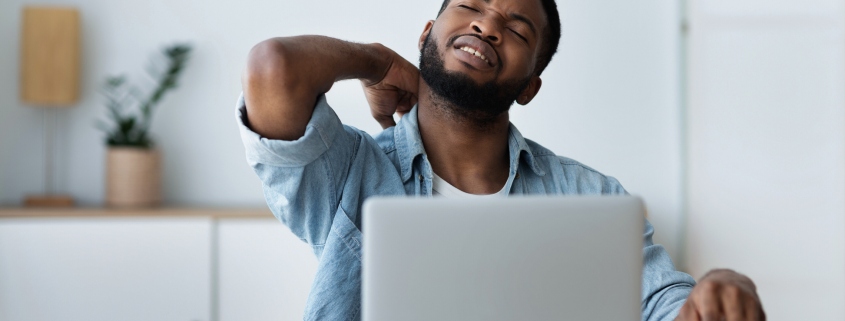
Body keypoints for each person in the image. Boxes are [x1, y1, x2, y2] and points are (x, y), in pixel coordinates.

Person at [237, 0, 766, 320]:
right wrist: (376, 61)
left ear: (530, 86)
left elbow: (663, 305)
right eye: (470, 6)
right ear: (427, 35)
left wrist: (725, 286)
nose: (488, 26)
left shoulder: (589, 197)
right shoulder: (351, 172)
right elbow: (273, 66)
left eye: (516, 29)